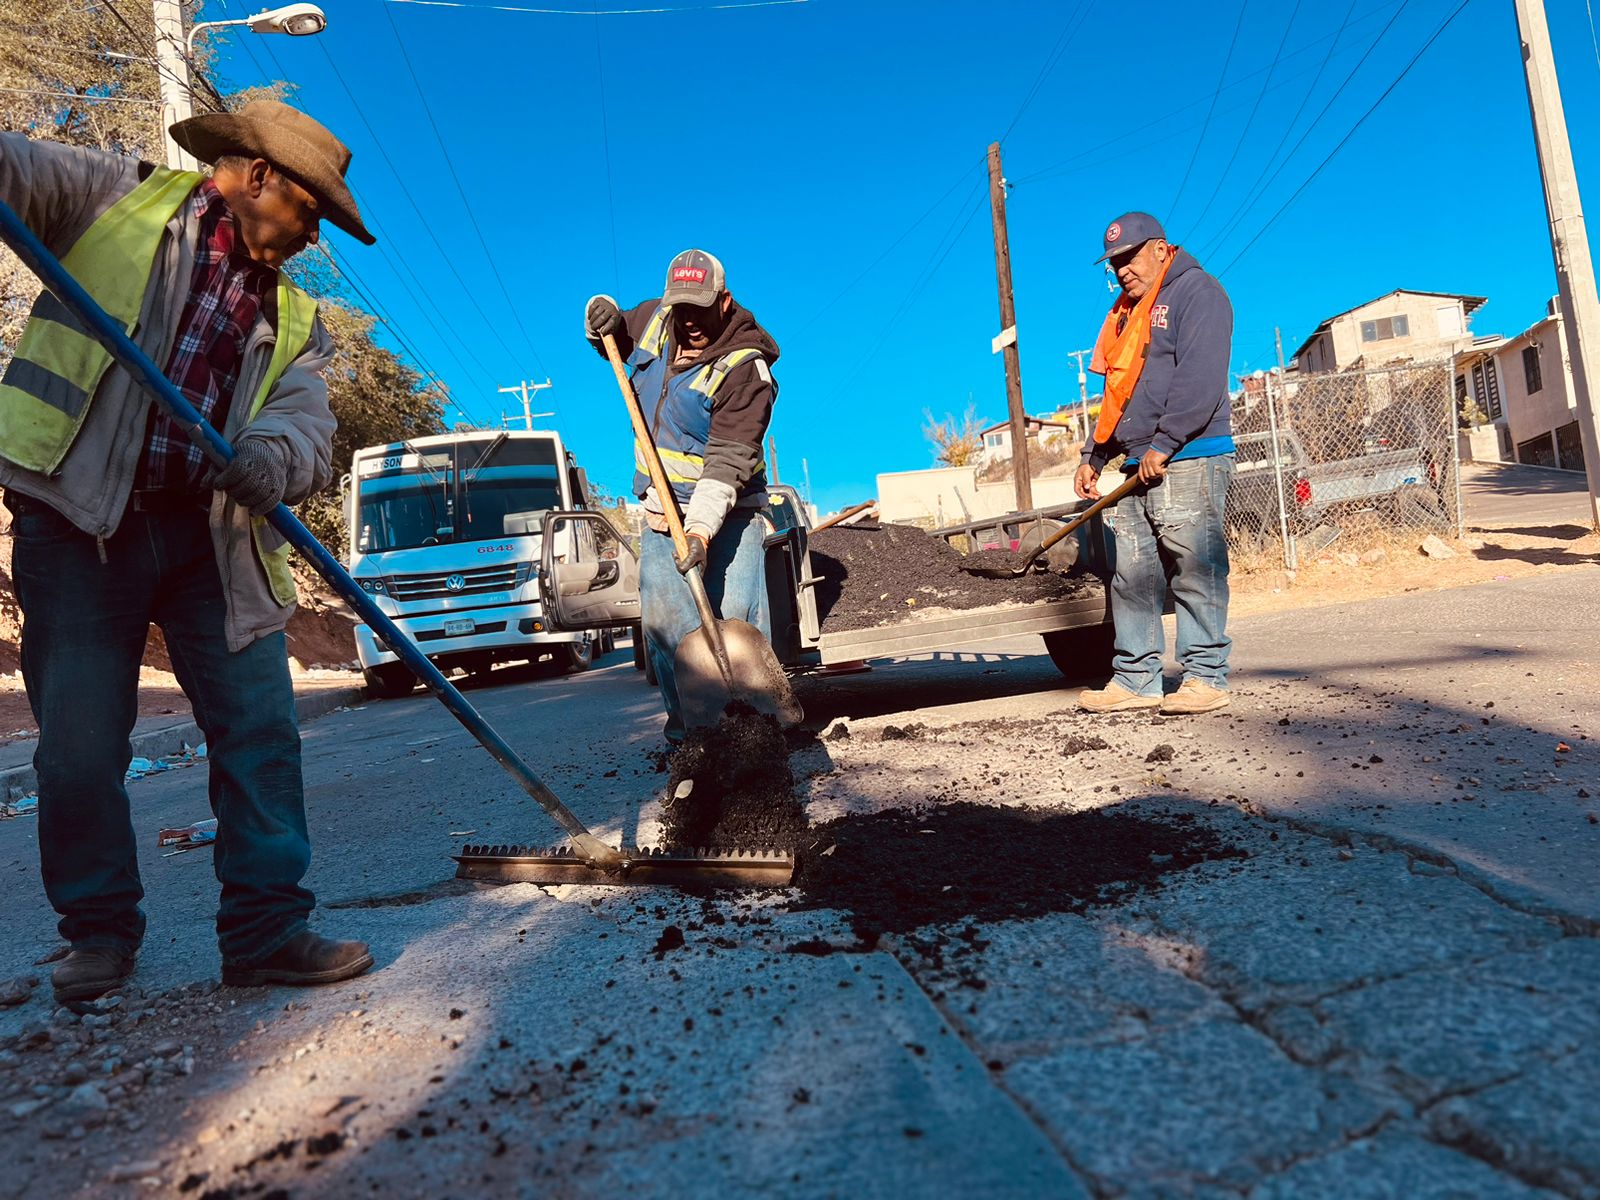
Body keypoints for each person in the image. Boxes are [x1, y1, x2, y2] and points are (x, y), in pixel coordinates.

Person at [0, 100, 377, 1003]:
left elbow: (306, 429)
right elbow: (14, 166)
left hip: (213, 536)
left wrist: (267, 459)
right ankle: (97, 934)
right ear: (254, 175)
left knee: (259, 734)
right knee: (80, 749)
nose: (314, 232)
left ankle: (266, 930)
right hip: (79, 521)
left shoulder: (297, 320)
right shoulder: (108, 198)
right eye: (311, 209)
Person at [583, 250, 780, 743]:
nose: (688, 321)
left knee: (736, 627)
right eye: (681, 309)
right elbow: (609, 328)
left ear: (725, 300)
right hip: (659, 512)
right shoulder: (657, 318)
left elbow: (727, 465)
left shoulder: (745, 368)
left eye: (700, 308)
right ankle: (690, 744)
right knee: (668, 631)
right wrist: (598, 310)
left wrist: (699, 531)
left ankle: (757, 740)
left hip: (729, 514)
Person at [1073, 212, 1236, 715]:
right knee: (1133, 576)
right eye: (1114, 263)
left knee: (1195, 568)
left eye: (1128, 258)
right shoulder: (1127, 312)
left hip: (1188, 455)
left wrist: (1164, 443)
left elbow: (1201, 378)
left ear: (1161, 249)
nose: (1121, 270)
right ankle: (1136, 679)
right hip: (1136, 461)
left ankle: (1205, 677)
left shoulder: (1197, 292)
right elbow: (1119, 392)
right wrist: (1094, 455)